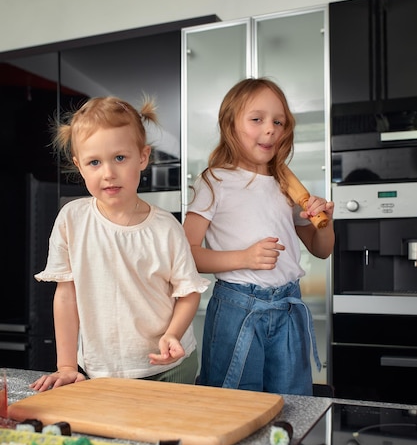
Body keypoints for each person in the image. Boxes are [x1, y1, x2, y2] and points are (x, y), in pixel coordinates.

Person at [31, 96, 209, 392]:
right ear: (80, 166)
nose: (108, 173)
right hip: (100, 369)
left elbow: (188, 293)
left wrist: (173, 335)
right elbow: (65, 297)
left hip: (169, 368)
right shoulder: (71, 219)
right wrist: (66, 365)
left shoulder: (166, 228)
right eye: (94, 162)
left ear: (143, 157)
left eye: (120, 158)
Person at [183, 78, 334, 395]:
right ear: (230, 125)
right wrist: (243, 258)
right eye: (257, 119)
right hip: (238, 309)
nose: (271, 129)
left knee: (292, 403)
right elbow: (187, 254)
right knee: (234, 404)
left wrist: (327, 223)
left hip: (289, 306)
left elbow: (321, 250)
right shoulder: (215, 180)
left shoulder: (285, 184)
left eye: (278, 122)